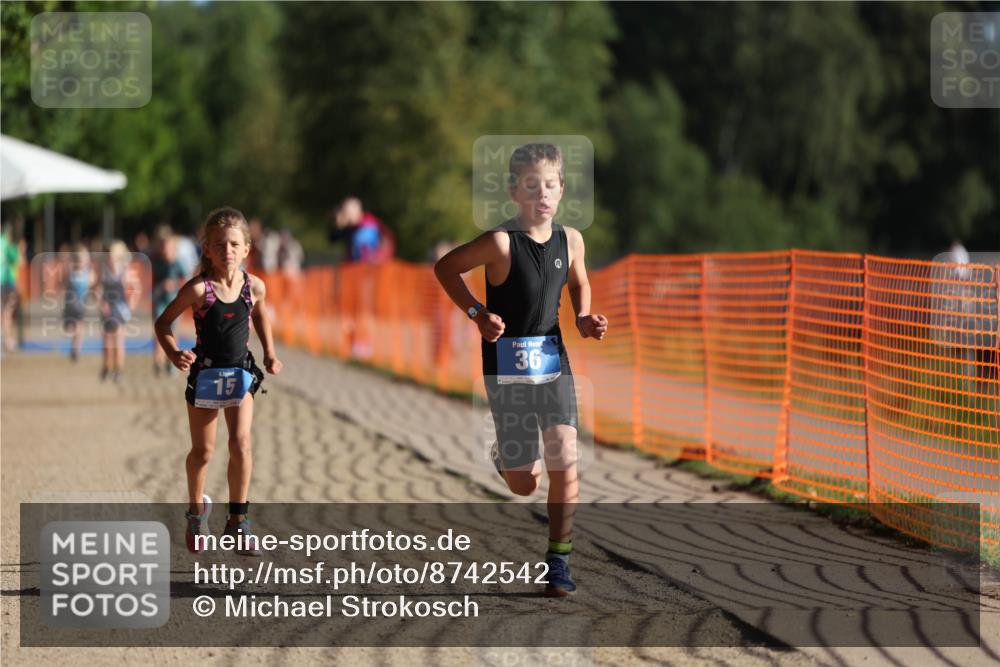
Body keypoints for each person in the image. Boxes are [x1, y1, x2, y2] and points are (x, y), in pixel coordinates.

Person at [434, 143, 608, 597]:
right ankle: (503, 457)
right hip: (506, 370)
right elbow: (446, 269)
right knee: (524, 484)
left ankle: (559, 561)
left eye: (550, 184)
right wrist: (477, 313)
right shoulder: (499, 242)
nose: (542, 193)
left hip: (553, 362)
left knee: (565, 457)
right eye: (532, 185)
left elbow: (579, 281)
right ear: (514, 191)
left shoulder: (572, 240)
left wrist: (584, 317)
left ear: (562, 189)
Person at [154, 207, 282, 555]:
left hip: (240, 373)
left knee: (241, 444)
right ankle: (197, 514)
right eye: (220, 244)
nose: (228, 250)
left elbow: (260, 315)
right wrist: (174, 353)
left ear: (246, 249)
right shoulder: (199, 289)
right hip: (206, 375)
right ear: (207, 250)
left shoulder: (254, 286)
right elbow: (162, 323)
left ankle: (238, 522)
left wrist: (270, 353)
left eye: (234, 244)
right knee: (203, 451)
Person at [96, 240, 138, 382]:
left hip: (120, 308)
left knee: (119, 340)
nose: (109, 256)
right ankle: (106, 366)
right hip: (107, 309)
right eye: (108, 254)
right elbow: (97, 288)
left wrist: (131, 306)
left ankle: (118, 370)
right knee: (107, 340)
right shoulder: (103, 270)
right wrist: (101, 303)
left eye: (112, 253)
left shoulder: (125, 270)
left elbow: (136, 288)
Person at [151, 226, 189, 375]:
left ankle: (172, 362)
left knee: (173, 332)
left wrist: (173, 284)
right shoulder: (156, 261)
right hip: (160, 301)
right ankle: (157, 362)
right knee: (158, 330)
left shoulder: (178, 262)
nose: (164, 249)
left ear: (172, 246)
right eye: (162, 246)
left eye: (166, 246)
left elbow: (186, 281)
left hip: (175, 302)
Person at [62, 244, 94, 362]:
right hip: (69, 305)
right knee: (69, 327)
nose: (80, 262)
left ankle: (76, 349)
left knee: (78, 326)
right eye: (78, 259)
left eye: (82, 259)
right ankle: (74, 345)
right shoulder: (70, 273)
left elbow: (93, 285)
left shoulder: (88, 273)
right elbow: (64, 284)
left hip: (81, 305)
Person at [1, 223, 21, 352]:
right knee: (7, 313)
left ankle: (7, 340)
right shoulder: (7, 244)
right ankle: (7, 341)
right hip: (7, 282)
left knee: (5, 313)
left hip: (6, 282)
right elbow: (15, 260)